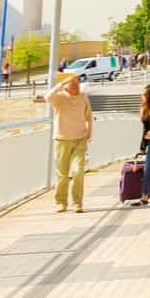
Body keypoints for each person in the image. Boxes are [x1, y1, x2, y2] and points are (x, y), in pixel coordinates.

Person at [46, 72, 93, 213]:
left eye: (77, 84)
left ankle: (77, 202)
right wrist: (61, 83)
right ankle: (61, 202)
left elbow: (89, 116)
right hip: (62, 139)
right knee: (63, 173)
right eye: (73, 85)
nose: (76, 87)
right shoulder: (59, 98)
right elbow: (47, 97)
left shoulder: (83, 97)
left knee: (78, 171)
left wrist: (89, 133)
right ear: (65, 87)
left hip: (80, 139)